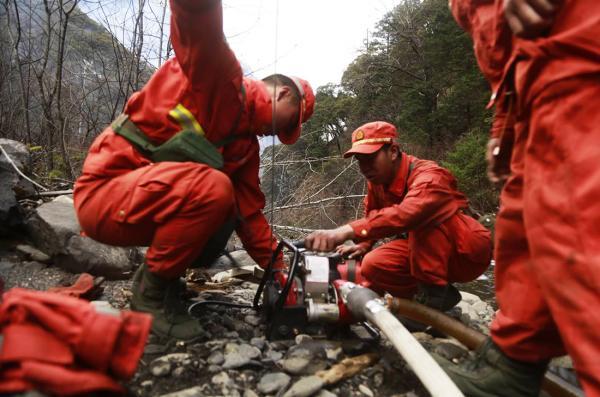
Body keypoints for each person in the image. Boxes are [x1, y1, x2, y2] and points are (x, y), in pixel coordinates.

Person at [73, 0, 315, 341]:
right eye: (290, 122)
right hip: (104, 196)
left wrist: (281, 270)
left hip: (138, 201)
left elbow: (251, 217)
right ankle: (151, 296)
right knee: (214, 189)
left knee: (227, 211)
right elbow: (197, 19)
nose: (276, 134)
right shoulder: (218, 77)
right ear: (284, 94)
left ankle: (166, 280)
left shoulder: (244, 147)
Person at [436, 0, 600, 395]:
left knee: (579, 224)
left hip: (577, 45)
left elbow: (409, 212)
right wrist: (506, 126)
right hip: (532, 76)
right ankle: (510, 365)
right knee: (523, 225)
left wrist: (356, 229)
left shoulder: (425, 175)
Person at [304, 121, 492, 311]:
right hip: (424, 251)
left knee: (422, 221)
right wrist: (364, 244)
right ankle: (422, 302)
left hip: (467, 253)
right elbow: (373, 215)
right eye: (360, 160)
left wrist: (345, 231)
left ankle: (435, 298)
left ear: (393, 151)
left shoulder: (430, 176)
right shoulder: (377, 180)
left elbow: (408, 214)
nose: (364, 167)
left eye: (370, 158)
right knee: (372, 264)